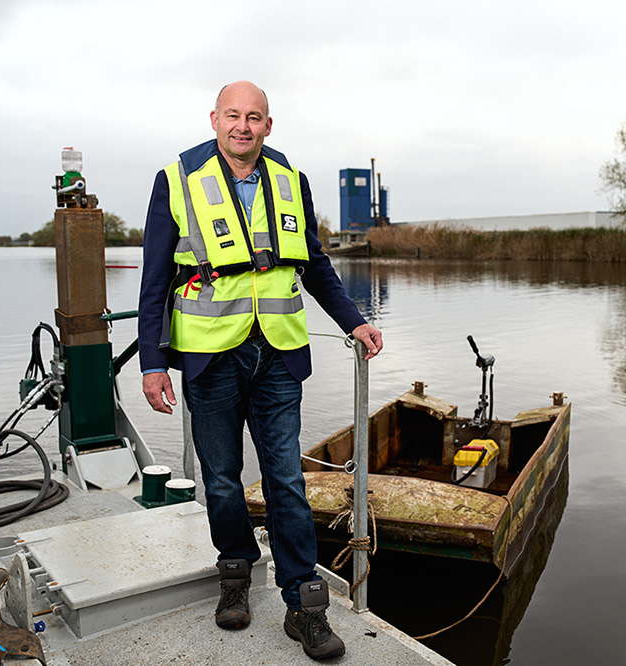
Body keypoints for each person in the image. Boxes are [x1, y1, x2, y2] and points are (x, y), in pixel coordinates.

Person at [137, 80, 382, 661]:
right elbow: (152, 279)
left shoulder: (291, 180)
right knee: (221, 478)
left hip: (278, 351)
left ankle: (304, 603)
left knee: (286, 479)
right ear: (214, 120)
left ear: (268, 126)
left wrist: (354, 320)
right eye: (233, 116)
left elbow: (315, 263)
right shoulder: (176, 181)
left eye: (254, 117)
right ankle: (236, 573)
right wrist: (152, 362)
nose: (242, 126)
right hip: (209, 355)